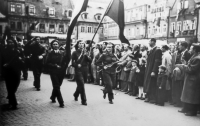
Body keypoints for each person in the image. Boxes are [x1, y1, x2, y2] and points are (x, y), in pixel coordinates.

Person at [1, 38, 25, 110]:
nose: (10, 44)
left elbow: (23, 59)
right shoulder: (4, 51)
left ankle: (10, 96)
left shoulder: (18, 51)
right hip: (8, 71)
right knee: (9, 87)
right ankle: (13, 103)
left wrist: (21, 59)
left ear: (14, 43)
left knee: (15, 85)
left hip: (16, 70)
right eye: (9, 42)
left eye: (12, 42)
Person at [178, 43, 200, 116]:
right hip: (190, 79)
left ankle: (192, 111)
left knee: (192, 96)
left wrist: (183, 66)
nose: (189, 50)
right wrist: (185, 64)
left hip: (193, 80)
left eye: (191, 48)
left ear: (195, 50)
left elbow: (192, 69)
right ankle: (186, 108)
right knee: (187, 95)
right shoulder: (194, 56)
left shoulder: (197, 58)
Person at [46, 40, 66, 108]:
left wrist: (63, 68)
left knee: (57, 86)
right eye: (54, 44)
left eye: (56, 44)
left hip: (61, 72)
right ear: (52, 45)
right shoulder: (50, 53)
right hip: (53, 72)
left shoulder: (62, 53)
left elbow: (65, 62)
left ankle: (53, 96)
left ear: (59, 45)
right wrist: (55, 65)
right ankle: (61, 102)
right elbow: (47, 63)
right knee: (56, 86)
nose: (55, 45)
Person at [71, 40, 91, 106]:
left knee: (81, 84)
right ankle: (84, 100)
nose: (81, 44)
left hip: (85, 69)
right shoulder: (75, 52)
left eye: (83, 43)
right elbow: (72, 62)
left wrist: (87, 56)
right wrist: (77, 65)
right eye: (80, 43)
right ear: (78, 44)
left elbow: (90, 60)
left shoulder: (86, 52)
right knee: (82, 85)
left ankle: (76, 94)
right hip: (78, 70)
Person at [143, 38, 162, 104]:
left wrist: (154, 71)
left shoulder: (157, 50)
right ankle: (148, 96)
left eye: (149, 42)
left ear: (153, 42)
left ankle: (152, 98)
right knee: (148, 82)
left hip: (152, 69)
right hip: (148, 69)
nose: (149, 43)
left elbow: (157, 61)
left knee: (152, 83)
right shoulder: (151, 50)